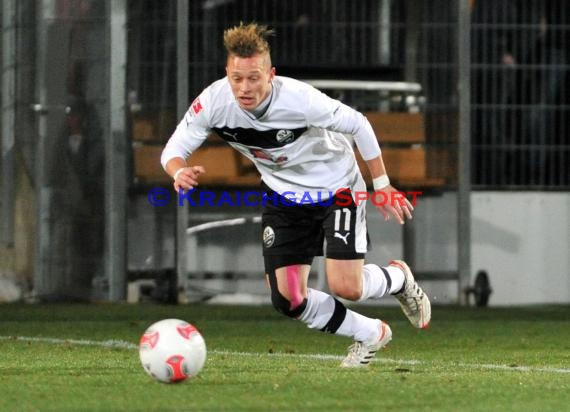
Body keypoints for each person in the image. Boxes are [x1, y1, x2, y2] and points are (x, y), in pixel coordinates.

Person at [161, 23, 430, 367]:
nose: (245, 88)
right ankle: (369, 333)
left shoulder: (299, 100)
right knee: (289, 300)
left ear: (271, 74)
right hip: (283, 197)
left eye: (254, 78)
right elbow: (173, 150)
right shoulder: (214, 102)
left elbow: (359, 124)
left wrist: (382, 184)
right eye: (236, 78)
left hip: (338, 189)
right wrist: (178, 170)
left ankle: (398, 279)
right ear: (227, 74)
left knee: (347, 287)